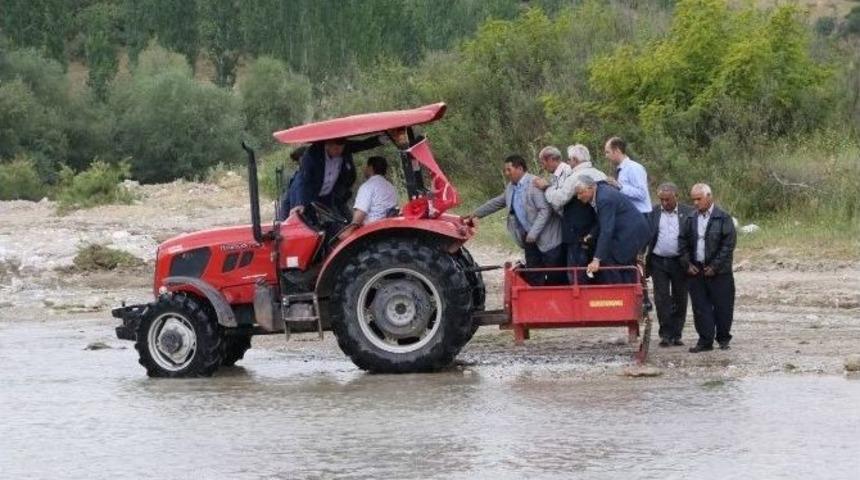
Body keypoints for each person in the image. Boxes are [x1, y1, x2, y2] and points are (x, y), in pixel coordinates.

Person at [465, 154, 563, 286]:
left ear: (520, 168)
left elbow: (545, 210)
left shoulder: (534, 183)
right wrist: (475, 213)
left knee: (555, 276)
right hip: (529, 239)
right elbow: (497, 202)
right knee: (534, 275)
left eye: (509, 170)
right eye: (505, 170)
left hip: (548, 238)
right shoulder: (511, 187)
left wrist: (533, 233)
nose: (506, 173)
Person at [678, 183, 737, 353]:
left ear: (709, 197)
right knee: (700, 307)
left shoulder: (723, 217)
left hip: (720, 272)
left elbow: (728, 245)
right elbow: (682, 242)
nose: (695, 203)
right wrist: (687, 264)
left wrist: (715, 266)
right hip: (696, 270)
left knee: (723, 306)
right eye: (693, 199)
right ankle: (705, 340)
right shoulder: (690, 218)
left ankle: (723, 338)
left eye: (699, 199)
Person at [537, 144, 608, 283]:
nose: (568, 163)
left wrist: (547, 188)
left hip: (577, 234)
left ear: (575, 160)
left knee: (577, 274)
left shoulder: (576, 177)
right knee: (597, 274)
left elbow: (558, 199)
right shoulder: (601, 174)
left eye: (569, 159)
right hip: (598, 230)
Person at [604, 136, 653, 309]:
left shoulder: (634, 168)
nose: (606, 156)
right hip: (628, 220)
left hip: (640, 218)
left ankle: (644, 299)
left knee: (636, 259)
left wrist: (619, 187)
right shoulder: (620, 170)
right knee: (627, 259)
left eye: (608, 152)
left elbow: (641, 193)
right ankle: (632, 297)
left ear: (617, 150)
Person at [573, 176, 650, 284]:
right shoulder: (599, 192)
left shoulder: (604, 198)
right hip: (626, 231)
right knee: (617, 262)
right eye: (577, 194)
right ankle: (628, 289)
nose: (578, 197)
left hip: (632, 233)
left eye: (581, 193)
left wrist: (596, 259)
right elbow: (603, 219)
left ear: (591, 188)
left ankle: (620, 291)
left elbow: (607, 230)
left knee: (612, 260)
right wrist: (592, 234)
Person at [289, 134, 386, 219]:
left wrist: (383, 138)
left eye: (341, 148)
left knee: (336, 224)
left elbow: (363, 144)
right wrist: (300, 203)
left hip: (329, 196)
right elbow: (303, 180)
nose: (339, 151)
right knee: (309, 223)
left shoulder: (345, 149)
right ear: (327, 145)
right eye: (335, 149)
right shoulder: (312, 155)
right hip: (310, 197)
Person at [646, 182, 693, 347]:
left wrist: (691, 261)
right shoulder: (653, 212)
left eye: (667, 200)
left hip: (680, 261)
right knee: (662, 299)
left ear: (676, 197)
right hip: (658, 261)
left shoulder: (688, 212)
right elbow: (646, 235)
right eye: (662, 200)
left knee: (680, 298)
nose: (664, 203)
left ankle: (676, 334)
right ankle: (665, 334)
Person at [336, 156, 398, 240]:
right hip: (386, 227)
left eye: (366, 166)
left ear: (370, 168)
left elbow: (360, 213)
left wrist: (348, 231)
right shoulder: (390, 186)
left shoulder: (367, 186)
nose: (365, 169)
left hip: (371, 230)